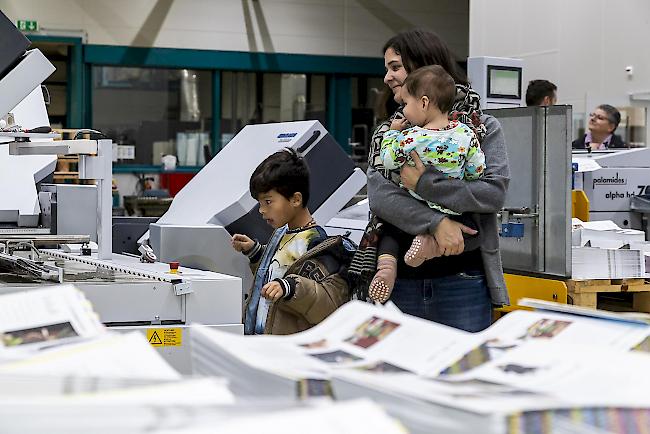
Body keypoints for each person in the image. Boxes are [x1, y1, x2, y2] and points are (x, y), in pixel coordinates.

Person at [351, 28, 510, 333]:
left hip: (463, 280)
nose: (387, 77)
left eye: (395, 67)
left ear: (424, 67)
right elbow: (381, 197)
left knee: (459, 375)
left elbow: (492, 193)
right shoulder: (392, 132)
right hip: (401, 282)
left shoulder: (483, 128)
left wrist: (424, 183)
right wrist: (438, 224)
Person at [368, 65, 486, 303]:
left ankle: (387, 265)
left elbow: (389, 160)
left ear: (423, 103)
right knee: (472, 231)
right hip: (453, 210)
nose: (404, 111)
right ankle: (431, 244)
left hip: (415, 207)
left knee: (390, 228)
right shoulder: (466, 134)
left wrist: (392, 133)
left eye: (407, 105)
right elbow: (477, 169)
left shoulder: (411, 138)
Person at [232, 149, 354, 335]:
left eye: (268, 202)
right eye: (260, 203)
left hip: (285, 348)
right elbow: (276, 271)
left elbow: (326, 302)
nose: (261, 210)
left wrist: (290, 287)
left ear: (296, 199)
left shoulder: (317, 244)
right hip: (260, 341)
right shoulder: (281, 233)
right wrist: (255, 252)